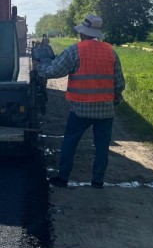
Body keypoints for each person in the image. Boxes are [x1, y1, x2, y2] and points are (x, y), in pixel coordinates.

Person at [37, 15, 125, 189]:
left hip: (81, 109)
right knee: (101, 146)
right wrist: (115, 100)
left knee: (70, 141)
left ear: (83, 34)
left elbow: (54, 71)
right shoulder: (110, 51)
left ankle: (63, 178)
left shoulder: (75, 51)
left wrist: (40, 67)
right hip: (106, 110)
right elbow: (120, 83)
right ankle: (98, 181)